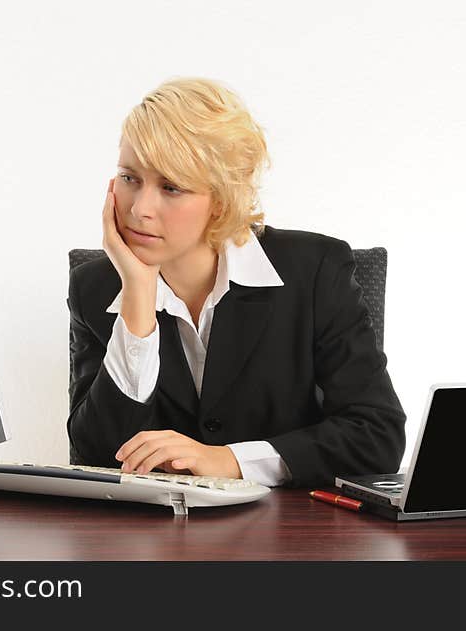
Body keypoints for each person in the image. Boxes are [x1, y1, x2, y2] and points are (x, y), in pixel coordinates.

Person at [67, 77, 406, 488]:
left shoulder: (315, 270)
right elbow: (96, 457)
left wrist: (230, 460)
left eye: (171, 187)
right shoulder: (94, 288)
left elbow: (376, 436)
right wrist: (137, 301)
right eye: (129, 178)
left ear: (222, 199)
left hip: (294, 534)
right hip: (155, 540)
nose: (139, 209)